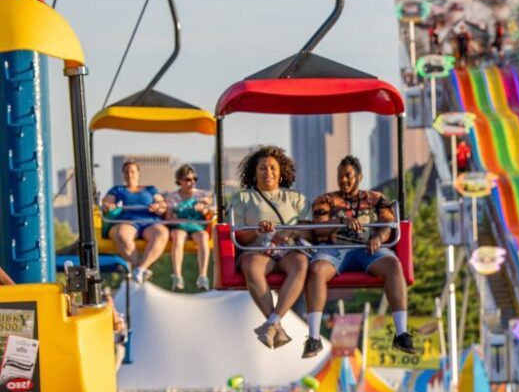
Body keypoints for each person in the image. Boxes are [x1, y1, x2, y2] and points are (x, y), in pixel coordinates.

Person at [302, 155, 413, 358]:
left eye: (348, 176)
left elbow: (389, 224)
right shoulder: (325, 200)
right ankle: (314, 337)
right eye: (340, 176)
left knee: (393, 265)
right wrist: (342, 220)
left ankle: (402, 332)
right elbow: (319, 229)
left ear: (359, 177)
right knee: (316, 269)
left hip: (366, 249)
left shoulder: (376, 199)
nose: (344, 180)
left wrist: (378, 238)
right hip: (335, 249)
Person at [227, 146, 310, 349]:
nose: (269, 173)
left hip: (288, 250)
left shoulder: (296, 198)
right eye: (263, 168)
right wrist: (257, 231)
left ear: (281, 172)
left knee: (301, 263)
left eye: (273, 168)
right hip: (258, 250)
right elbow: (238, 235)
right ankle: (276, 325)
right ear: (254, 173)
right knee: (251, 266)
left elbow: (308, 230)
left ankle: (272, 323)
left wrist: (288, 233)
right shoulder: (243, 198)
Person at [101, 159, 169, 284]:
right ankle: (138, 266)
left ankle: (141, 268)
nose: (130, 175)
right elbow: (107, 201)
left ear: (138, 174)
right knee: (122, 234)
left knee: (161, 233)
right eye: (126, 172)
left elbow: (162, 203)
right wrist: (108, 205)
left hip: (149, 221)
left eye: (132, 171)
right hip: (128, 221)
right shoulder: (118, 190)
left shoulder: (150, 189)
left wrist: (157, 206)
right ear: (123, 175)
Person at [164, 164, 213, 291]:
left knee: (203, 237)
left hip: (196, 225)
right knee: (177, 237)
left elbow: (208, 206)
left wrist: (203, 208)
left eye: (194, 179)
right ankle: (177, 275)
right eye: (187, 180)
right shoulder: (173, 198)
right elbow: (168, 217)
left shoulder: (201, 195)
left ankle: (203, 275)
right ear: (180, 181)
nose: (191, 183)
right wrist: (176, 217)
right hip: (181, 226)